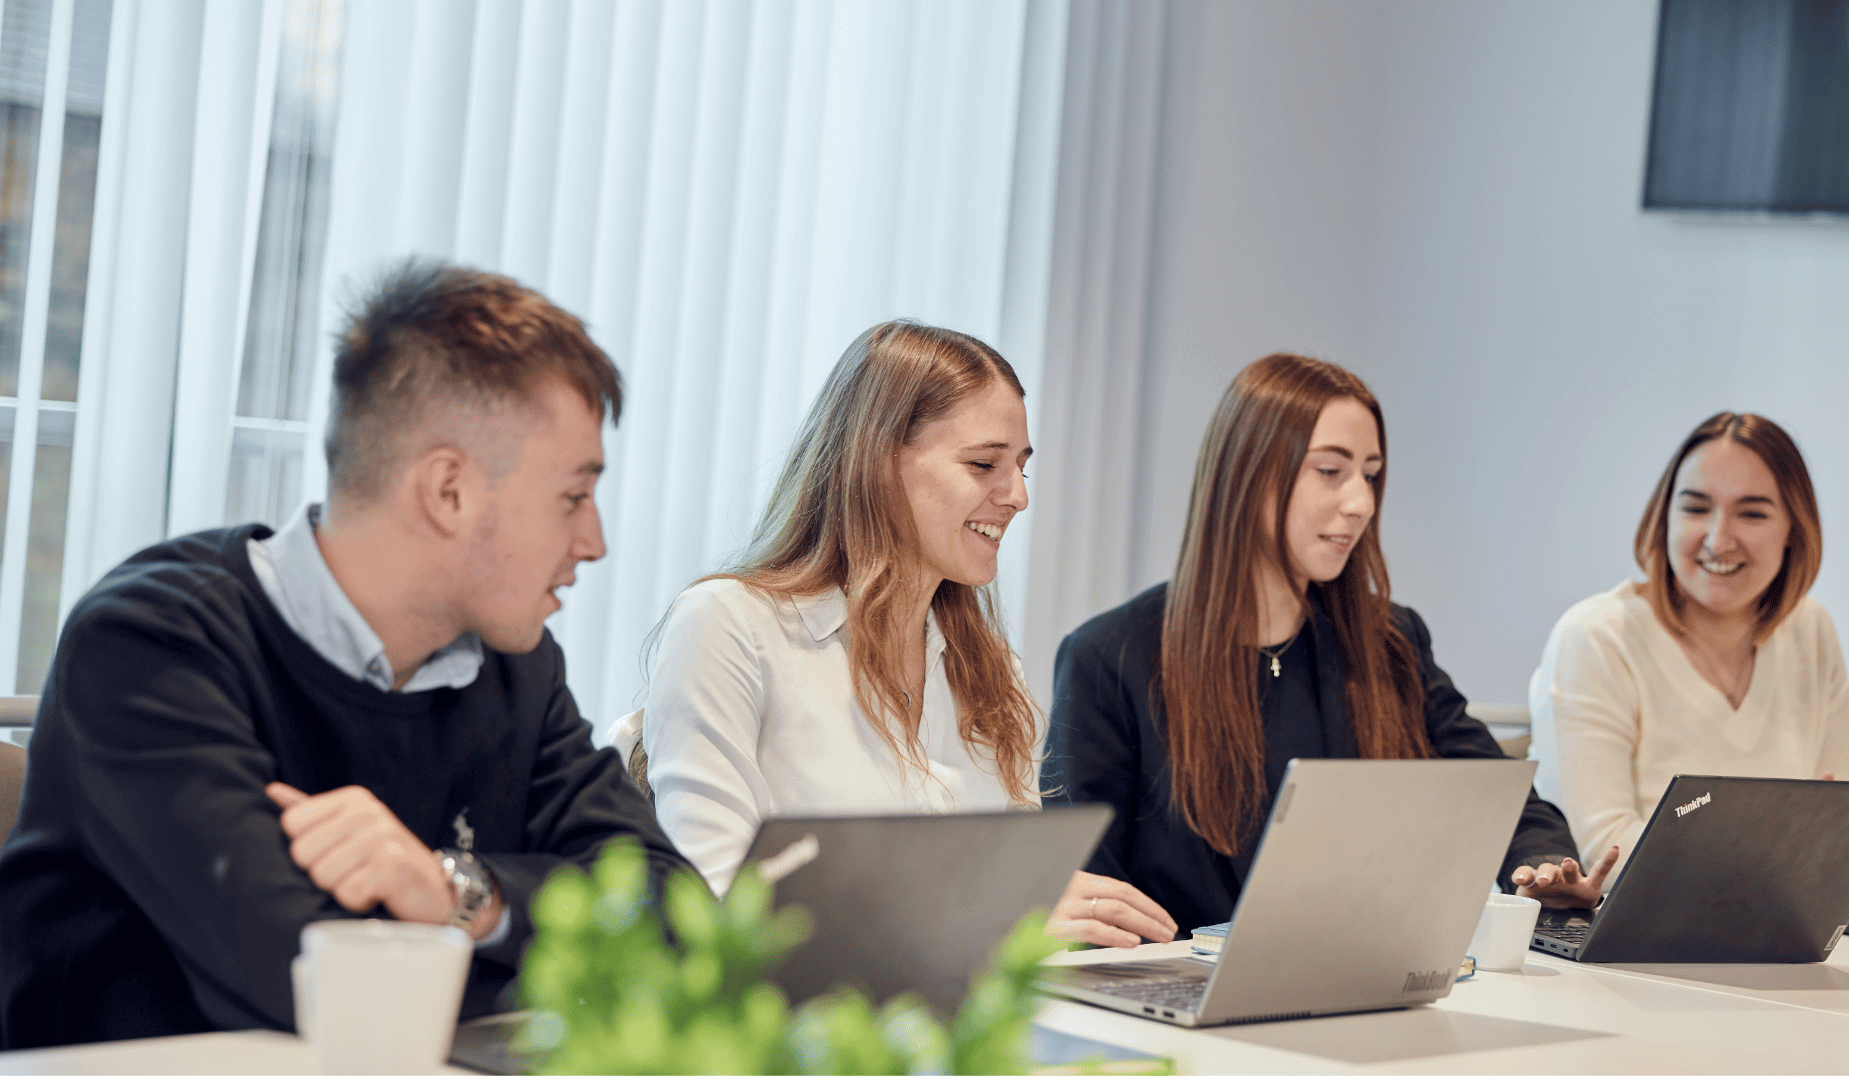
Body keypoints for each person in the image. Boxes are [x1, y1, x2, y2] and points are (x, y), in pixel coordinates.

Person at [0, 261, 688, 1048]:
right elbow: (306, 982)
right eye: (573, 497)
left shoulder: (515, 669)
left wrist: (461, 893)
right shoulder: (148, 646)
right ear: (449, 491)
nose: (593, 542)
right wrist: (544, 937)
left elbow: (674, 915)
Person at [639, 321, 1176, 948]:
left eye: (1022, 467)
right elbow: (715, 910)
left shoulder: (989, 668)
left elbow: (1016, 902)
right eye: (984, 464)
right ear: (877, 463)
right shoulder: (729, 626)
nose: (1018, 497)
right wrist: (993, 915)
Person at [1045, 353, 1602, 939]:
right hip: (1179, 1005)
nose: (1360, 502)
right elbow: (1087, 897)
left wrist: (1544, 865)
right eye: (1331, 472)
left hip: (1362, 981)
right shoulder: (1109, 658)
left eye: (1371, 473)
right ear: (1248, 473)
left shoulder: (1391, 643)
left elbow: (1498, 796)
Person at [1529, 411, 1849, 877]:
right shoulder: (1595, 636)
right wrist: (1803, 854)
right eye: (1696, 508)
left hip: (1777, 933)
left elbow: (1836, 823)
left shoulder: (1811, 630)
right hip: (1637, 941)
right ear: (1664, 519)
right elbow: (1605, 852)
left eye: (1752, 513)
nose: (1719, 539)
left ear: (1793, 531)